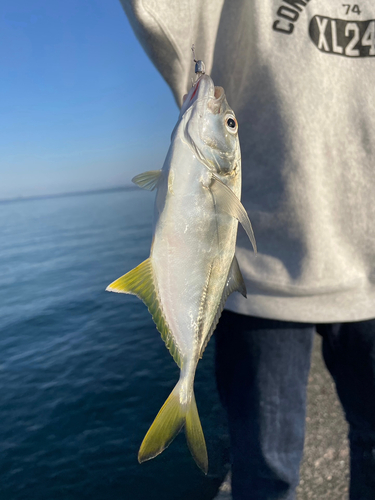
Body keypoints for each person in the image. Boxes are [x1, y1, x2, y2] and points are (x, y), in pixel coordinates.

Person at [121, 1, 375, 498]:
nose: (220, 107)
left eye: (228, 124)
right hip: (261, 280)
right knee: (263, 473)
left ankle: (184, 391)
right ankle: (185, 388)